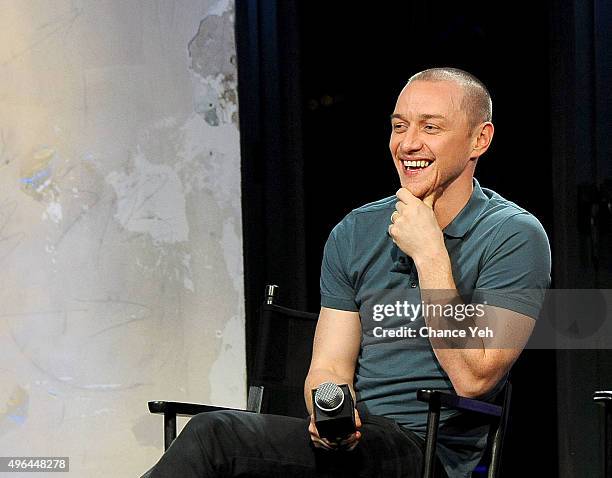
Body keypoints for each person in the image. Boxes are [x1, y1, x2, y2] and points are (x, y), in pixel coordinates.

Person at [144, 67, 551, 478]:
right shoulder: (356, 232)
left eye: (431, 127)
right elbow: (329, 366)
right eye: (399, 126)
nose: (408, 144)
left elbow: (473, 378)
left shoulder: (514, 235)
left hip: (427, 453)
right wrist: (330, 411)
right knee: (216, 437)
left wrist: (430, 254)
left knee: (214, 437)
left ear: (479, 139)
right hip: (356, 442)